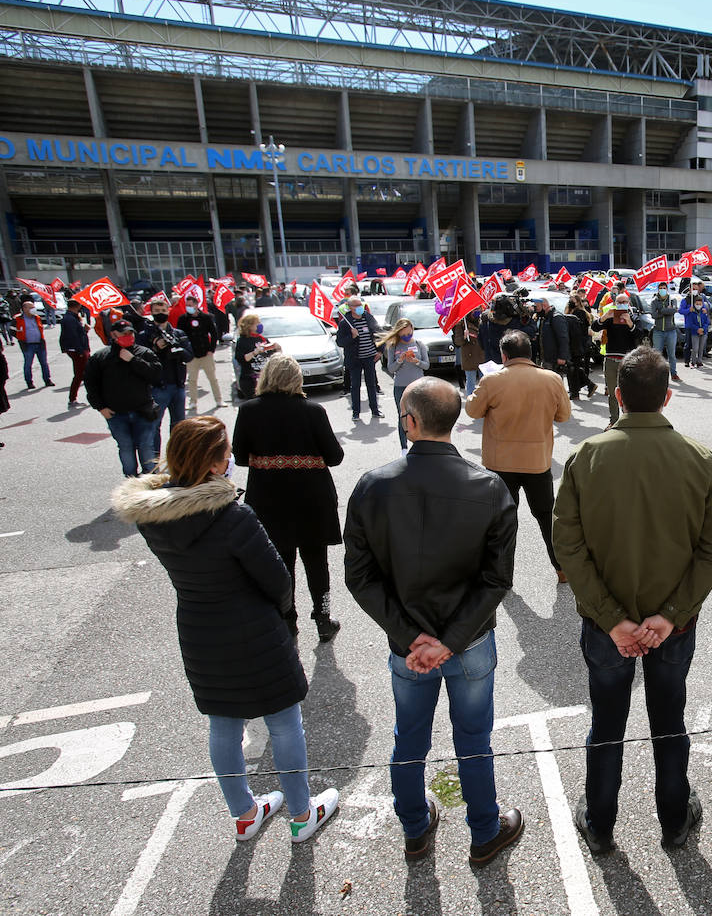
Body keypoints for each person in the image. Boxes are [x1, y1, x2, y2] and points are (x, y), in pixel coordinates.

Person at [113, 416, 339, 843]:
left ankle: (244, 813)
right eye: (226, 453)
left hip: (200, 629)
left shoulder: (152, 517)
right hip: (254, 629)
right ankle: (301, 814)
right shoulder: (233, 515)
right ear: (215, 464)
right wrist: (278, 613)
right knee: (285, 722)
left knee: (224, 725)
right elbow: (278, 582)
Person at [552, 346, 712, 853]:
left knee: (606, 723)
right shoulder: (699, 458)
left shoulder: (587, 456)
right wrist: (670, 615)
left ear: (617, 397)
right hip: (672, 626)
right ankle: (674, 820)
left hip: (609, 629)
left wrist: (612, 620)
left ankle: (601, 823)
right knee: (668, 720)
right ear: (667, 397)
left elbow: (567, 545)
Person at [344, 377, 524, 865]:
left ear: (410, 422)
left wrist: (411, 638)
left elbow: (359, 578)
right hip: (469, 642)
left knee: (409, 738)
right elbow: (496, 581)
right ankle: (485, 831)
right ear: (457, 420)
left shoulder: (372, 486)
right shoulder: (489, 487)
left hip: (409, 644)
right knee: (473, 738)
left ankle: (415, 829)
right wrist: (450, 641)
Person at [232, 355, 346, 641]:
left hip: (269, 497)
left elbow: (240, 458)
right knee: (316, 561)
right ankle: (322, 618)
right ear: (298, 379)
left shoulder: (248, 411)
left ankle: (287, 619)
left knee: (281, 562)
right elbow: (335, 456)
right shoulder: (313, 411)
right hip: (311, 497)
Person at [465, 330, 572, 583]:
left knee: (502, 520)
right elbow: (564, 416)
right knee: (547, 517)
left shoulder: (492, 381)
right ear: (530, 353)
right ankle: (561, 569)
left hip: (500, 462)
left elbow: (472, 410)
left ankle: (504, 575)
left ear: (504, 355)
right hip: (537, 460)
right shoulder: (552, 379)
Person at [86, 319, 162, 477]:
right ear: (113, 335)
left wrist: (133, 360)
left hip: (143, 411)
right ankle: (130, 481)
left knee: (146, 446)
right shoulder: (101, 357)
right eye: (123, 333)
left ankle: (152, 480)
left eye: (130, 333)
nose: (128, 336)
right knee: (126, 447)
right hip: (116, 414)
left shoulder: (143, 352)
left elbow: (155, 375)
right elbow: (91, 384)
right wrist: (100, 407)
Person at [137, 296, 194, 455]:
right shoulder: (144, 334)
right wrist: (155, 347)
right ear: (151, 312)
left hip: (178, 385)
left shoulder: (178, 333)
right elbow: (140, 359)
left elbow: (190, 355)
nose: (160, 313)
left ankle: (177, 458)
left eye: (163, 310)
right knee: (154, 425)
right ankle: (154, 460)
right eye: (157, 311)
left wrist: (178, 349)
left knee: (179, 426)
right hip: (157, 387)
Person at [379, 318, 430, 450]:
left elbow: (426, 365)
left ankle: (420, 446)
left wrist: (416, 361)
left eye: (409, 333)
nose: (407, 337)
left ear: (412, 329)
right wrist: (400, 360)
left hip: (418, 387)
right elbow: (390, 368)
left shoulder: (419, 344)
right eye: (404, 335)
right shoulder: (393, 346)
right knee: (403, 418)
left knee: (419, 416)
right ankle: (404, 448)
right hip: (401, 387)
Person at [336, 295, 383, 420]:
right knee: (355, 386)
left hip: (369, 357)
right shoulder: (345, 322)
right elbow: (340, 342)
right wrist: (352, 337)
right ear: (350, 308)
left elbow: (379, 333)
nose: (359, 307)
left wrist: (380, 351)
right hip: (355, 359)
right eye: (356, 305)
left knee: (371, 384)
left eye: (360, 305)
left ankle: (375, 410)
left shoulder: (368, 317)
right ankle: (356, 413)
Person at [595, 296, 638, 429]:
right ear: (615, 303)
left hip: (627, 360)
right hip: (610, 359)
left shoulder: (633, 316)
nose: (621, 304)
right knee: (613, 393)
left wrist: (629, 322)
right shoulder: (610, 317)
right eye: (619, 302)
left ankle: (628, 421)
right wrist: (605, 316)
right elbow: (595, 327)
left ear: (628, 303)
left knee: (627, 392)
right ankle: (614, 420)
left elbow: (639, 335)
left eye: (624, 302)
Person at [179, 295, 224, 412]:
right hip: (191, 355)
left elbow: (214, 333)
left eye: (190, 305)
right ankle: (193, 402)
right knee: (192, 380)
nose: (188, 308)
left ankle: (219, 400)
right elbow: (180, 336)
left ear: (196, 304)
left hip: (206, 353)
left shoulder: (206, 317)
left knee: (213, 378)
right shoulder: (183, 319)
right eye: (187, 306)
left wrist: (212, 349)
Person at [232, 312, 279, 402]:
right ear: (249, 326)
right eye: (257, 323)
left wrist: (276, 348)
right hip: (250, 380)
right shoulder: (242, 341)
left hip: (265, 379)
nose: (259, 325)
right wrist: (254, 352)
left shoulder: (261, 338)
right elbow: (241, 358)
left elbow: (271, 356)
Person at [562, 292, 597, 400]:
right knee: (574, 367)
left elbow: (580, 331)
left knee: (573, 368)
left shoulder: (580, 313)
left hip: (577, 344)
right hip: (570, 344)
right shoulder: (567, 312)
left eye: (573, 300)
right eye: (570, 300)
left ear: (577, 302)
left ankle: (575, 392)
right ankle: (588, 385)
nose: (570, 302)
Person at [58, 296, 91, 408]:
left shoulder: (73, 317)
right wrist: (80, 350)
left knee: (83, 374)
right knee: (80, 374)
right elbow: (73, 336)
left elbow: (78, 334)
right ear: (76, 306)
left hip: (78, 349)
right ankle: (73, 399)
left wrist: (84, 330)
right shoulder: (69, 319)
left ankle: (76, 398)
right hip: (77, 350)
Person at [15, 298, 54, 389]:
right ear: (24, 308)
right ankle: (29, 382)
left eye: (33, 307)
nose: (33, 309)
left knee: (44, 363)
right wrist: (20, 339)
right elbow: (13, 331)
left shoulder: (37, 317)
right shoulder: (18, 319)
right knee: (28, 364)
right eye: (31, 307)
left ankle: (47, 380)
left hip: (39, 344)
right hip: (27, 345)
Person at [649, 283, 682, 380]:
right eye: (660, 288)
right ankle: (656, 374)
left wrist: (661, 311)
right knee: (657, 354)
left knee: (671, 354)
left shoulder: (672, 300)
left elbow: (673, 311)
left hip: (671, 331)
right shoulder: (654, 301)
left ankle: (674, 373)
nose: (662, 290)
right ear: (658, 289)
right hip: (658, 331)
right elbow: (654, 315)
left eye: (664, 288)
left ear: (667, 289)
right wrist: (665, 311)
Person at [683, 290, 711, 368]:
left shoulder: (704, 312)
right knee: (695, 348)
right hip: (695, 332)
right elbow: (691, 323)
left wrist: (703, 329)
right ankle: (693, 362)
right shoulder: (692, 312)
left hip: (703, 332)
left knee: (701, 348)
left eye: (700, 304)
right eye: (697, 304)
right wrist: (697, 329)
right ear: (694, 304)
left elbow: (707, 322)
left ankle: (699, 361)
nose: (698, 305)